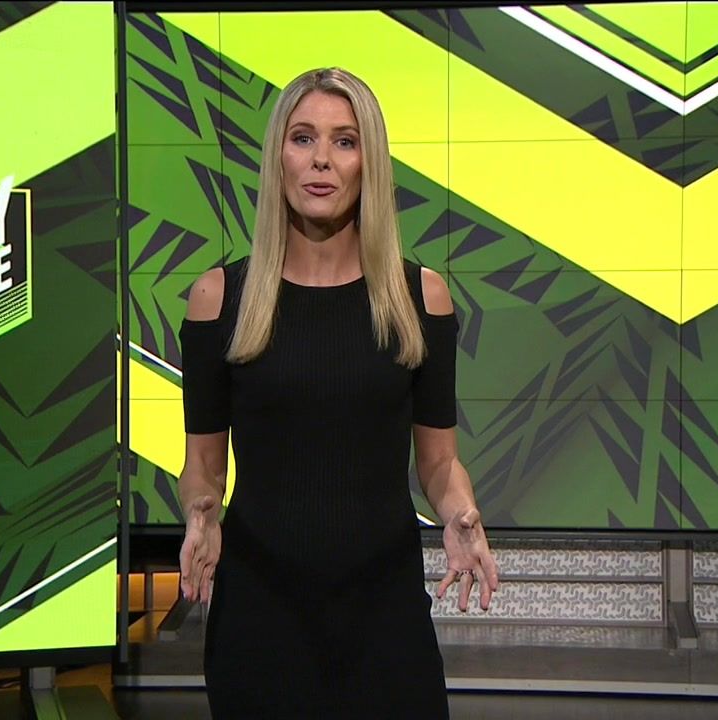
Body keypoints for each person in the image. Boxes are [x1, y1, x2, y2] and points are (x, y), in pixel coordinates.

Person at [175, 66, 500, 719]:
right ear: (279, 157)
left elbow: (439, 461)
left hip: (384, 618)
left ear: (368, 163)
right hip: (260, 619)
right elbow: (203, 464)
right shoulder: (220, 298)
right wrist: (198, 513)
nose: (321, 158)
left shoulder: (420, 298)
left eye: (344, 141)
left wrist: (460, 512)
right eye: (303, 138)